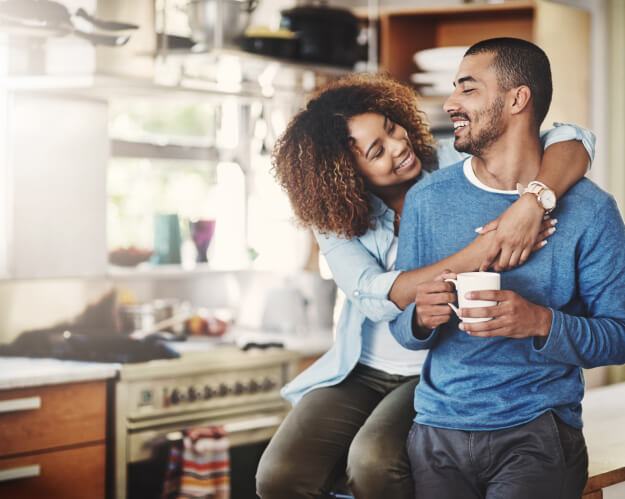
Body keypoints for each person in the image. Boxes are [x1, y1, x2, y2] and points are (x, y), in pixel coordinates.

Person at [256, 71, 595, 499]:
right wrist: (492, 242)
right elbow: (378, 295)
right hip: (362, 368)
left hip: (437, 368)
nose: (400, 146)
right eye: (377, 151)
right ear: (344, 176)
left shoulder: (458, 164)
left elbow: (574, 138)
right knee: (279, 476)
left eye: (393, 128)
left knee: (374, 461)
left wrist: (532, 202)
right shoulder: (334, 217)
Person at [389, 37, 625, 499]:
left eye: (468, 89)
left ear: (518, 99)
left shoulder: (592, 211)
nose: (450, 102)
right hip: (438, 433)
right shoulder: (426, 200)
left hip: (537, 434)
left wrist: (538, 321)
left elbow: (619, 335)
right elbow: (403, 327)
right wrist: (419, 317)